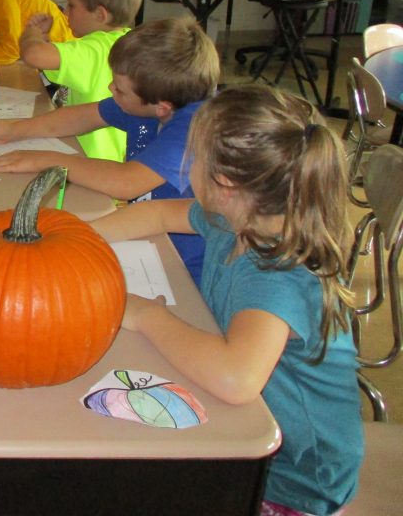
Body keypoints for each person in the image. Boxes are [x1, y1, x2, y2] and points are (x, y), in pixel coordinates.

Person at [89, 84, 362, 516]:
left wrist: (144, 314)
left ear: (226, 184)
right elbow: (157, 213)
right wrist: (77, 239)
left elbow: (236, 378)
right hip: (246, 437)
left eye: (194, 158)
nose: (187, 167)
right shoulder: (233, 217)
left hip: (293, 481)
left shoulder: (276, 273)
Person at [0, 18, 218, 284]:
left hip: (189, 266)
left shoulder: (195, 126)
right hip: (148, 236)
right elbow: (82, 117)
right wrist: (15, 130)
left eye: (119, 89)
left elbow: (126, 182)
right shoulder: (149, 102)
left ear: (162, 107)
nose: (111, 89)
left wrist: (47, 160)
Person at [19, 0, 143, 162]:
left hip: (88, 158)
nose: (66, 12)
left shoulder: (94, 50)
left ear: (100, 15)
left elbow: (34, 55)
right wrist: (45, 38)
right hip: (112, 158)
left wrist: (32, 33)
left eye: (72, 5)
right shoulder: (127, 41)